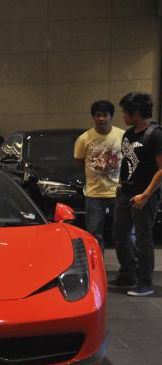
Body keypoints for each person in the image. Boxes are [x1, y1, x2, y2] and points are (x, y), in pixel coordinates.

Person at [111, 92, 162, 297]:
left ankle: (145, 282)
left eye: (125, 112)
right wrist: (121, 184)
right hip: (126, 193)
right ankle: (128, 274)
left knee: (143, 239)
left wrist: (146, 195)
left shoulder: (155, 134)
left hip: (144, 196)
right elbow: (127, 163)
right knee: (119, 234)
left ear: (137, 113)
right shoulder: (128, 134)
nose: (123, 116)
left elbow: (161, 169)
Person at [74, 100, 124, 251]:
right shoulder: (84, 138)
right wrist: (96, 168)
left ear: (111, 116)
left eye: (105, 115)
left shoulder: (122, 135)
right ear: (93, 117)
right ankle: (97, 268)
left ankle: (128, 268)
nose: (102, 119)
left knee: (123, 232)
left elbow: (128, 161)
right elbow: (79, 161)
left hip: (118, 192)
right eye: (98, 115)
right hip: (94, 193)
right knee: (94, 234)